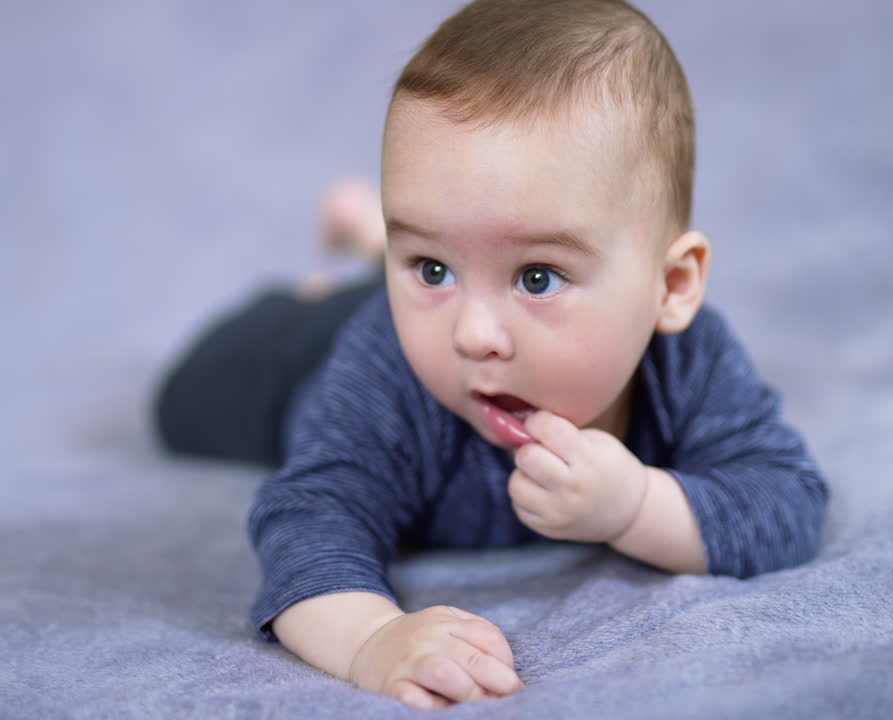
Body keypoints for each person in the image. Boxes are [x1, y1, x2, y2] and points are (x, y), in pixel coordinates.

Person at [155, 0, 828, 710]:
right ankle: (358, 270)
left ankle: (383, 251)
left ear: (671, 286)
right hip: (304, 356)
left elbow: (788, 502)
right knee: (179, 405)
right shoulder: (383, 378)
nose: (475, 334)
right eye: (432, 263)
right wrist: (370, 640)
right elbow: (308, 517)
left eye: (538, 277)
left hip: (400, 312)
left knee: (446, 271)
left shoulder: (687, 363)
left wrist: (635, 507)